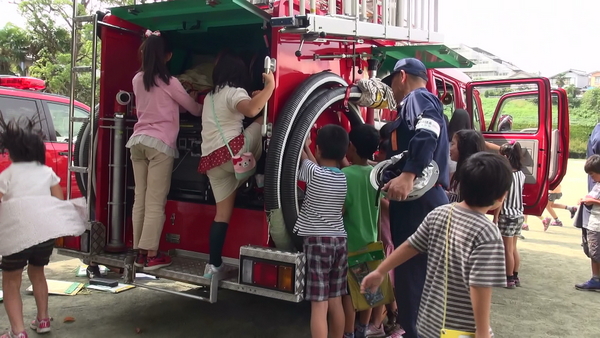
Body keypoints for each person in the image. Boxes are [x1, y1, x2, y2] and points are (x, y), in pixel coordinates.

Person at [360, 152, 510, 338]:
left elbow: (411, 245)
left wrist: (380, 271)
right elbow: (480, 285)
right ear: (501, 197)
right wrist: (482, 331)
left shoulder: (440, 213)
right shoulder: (487, 232)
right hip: (460, 330)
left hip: (429, 323)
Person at [380, 58, 450, 338]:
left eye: (392, 83)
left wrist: (408, 175)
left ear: (403, 76)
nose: (392, 91)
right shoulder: (420, 101)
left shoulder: (417, 98)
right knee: (419, 279)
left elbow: (427, 131)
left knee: (411, 279)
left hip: (419, 203)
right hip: (426, 201)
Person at [0, 117, 87, 338]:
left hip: (17, 235)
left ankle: (18, 332)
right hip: (43, 235)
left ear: (12, 152)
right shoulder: (46, 172)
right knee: (37, 273)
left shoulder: (6, 175)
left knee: (11, 281)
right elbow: (58, 200)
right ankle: (43, 319)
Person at [127, 30, 202, 271]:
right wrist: (197, 99)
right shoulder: (171, 82)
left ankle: (139, 252)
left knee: (140, 198)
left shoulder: (137, 80)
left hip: (137, 141)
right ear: (167, 56)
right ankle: (151, 255)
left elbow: (156, 105)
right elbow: (194, 110)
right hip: (159, 144)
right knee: (155, 202)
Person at [198, 52, 274, 278]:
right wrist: (270, 87)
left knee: (221, 215)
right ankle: (261, 177)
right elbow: (252, 110)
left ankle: (214, 266)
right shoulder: (234, 92)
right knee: (263, 123)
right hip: (235, 155)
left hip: (212, 162)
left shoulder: (210, 97)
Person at [294, 124, 349, 338]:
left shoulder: (313, 173)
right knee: (335, 300)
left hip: (317, 243)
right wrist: (311, 148)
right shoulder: (344, 178)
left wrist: (304, 143)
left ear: (318, 150)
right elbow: (315, 164)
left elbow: (305, 160)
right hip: (339, 242)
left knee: (318, 305)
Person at [339, 124, 381, 338]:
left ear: (351, 147)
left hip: (351, 245)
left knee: (348, 294)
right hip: (371, 242)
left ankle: (348, 332)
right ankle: (362, 330)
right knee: (369, 290)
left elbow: (342, 209)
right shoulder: (376, 174)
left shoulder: (346, 175)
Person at [493, 141, 526, 289]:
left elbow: (502, 198)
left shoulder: (506, 176)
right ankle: (515, 275)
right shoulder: (521, 174)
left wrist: (495, 216)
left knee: (506, 249)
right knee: (513, 248)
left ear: (506, 157)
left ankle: (508, 278)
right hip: (519, 215)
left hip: (507, 215)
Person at [575, 154, 600, 291]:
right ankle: (595, 278)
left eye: (592, 174)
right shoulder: (597, 185)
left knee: (596, 253)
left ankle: (596, 278)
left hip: (598, 225)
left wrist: (593, 202)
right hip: (593, 223)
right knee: (592, 251)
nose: (591, 177)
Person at [447, 129, 486, 202]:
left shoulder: (471, 177)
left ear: (464, 148)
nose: (450, 148)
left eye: (452, 144)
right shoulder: (459, 173)